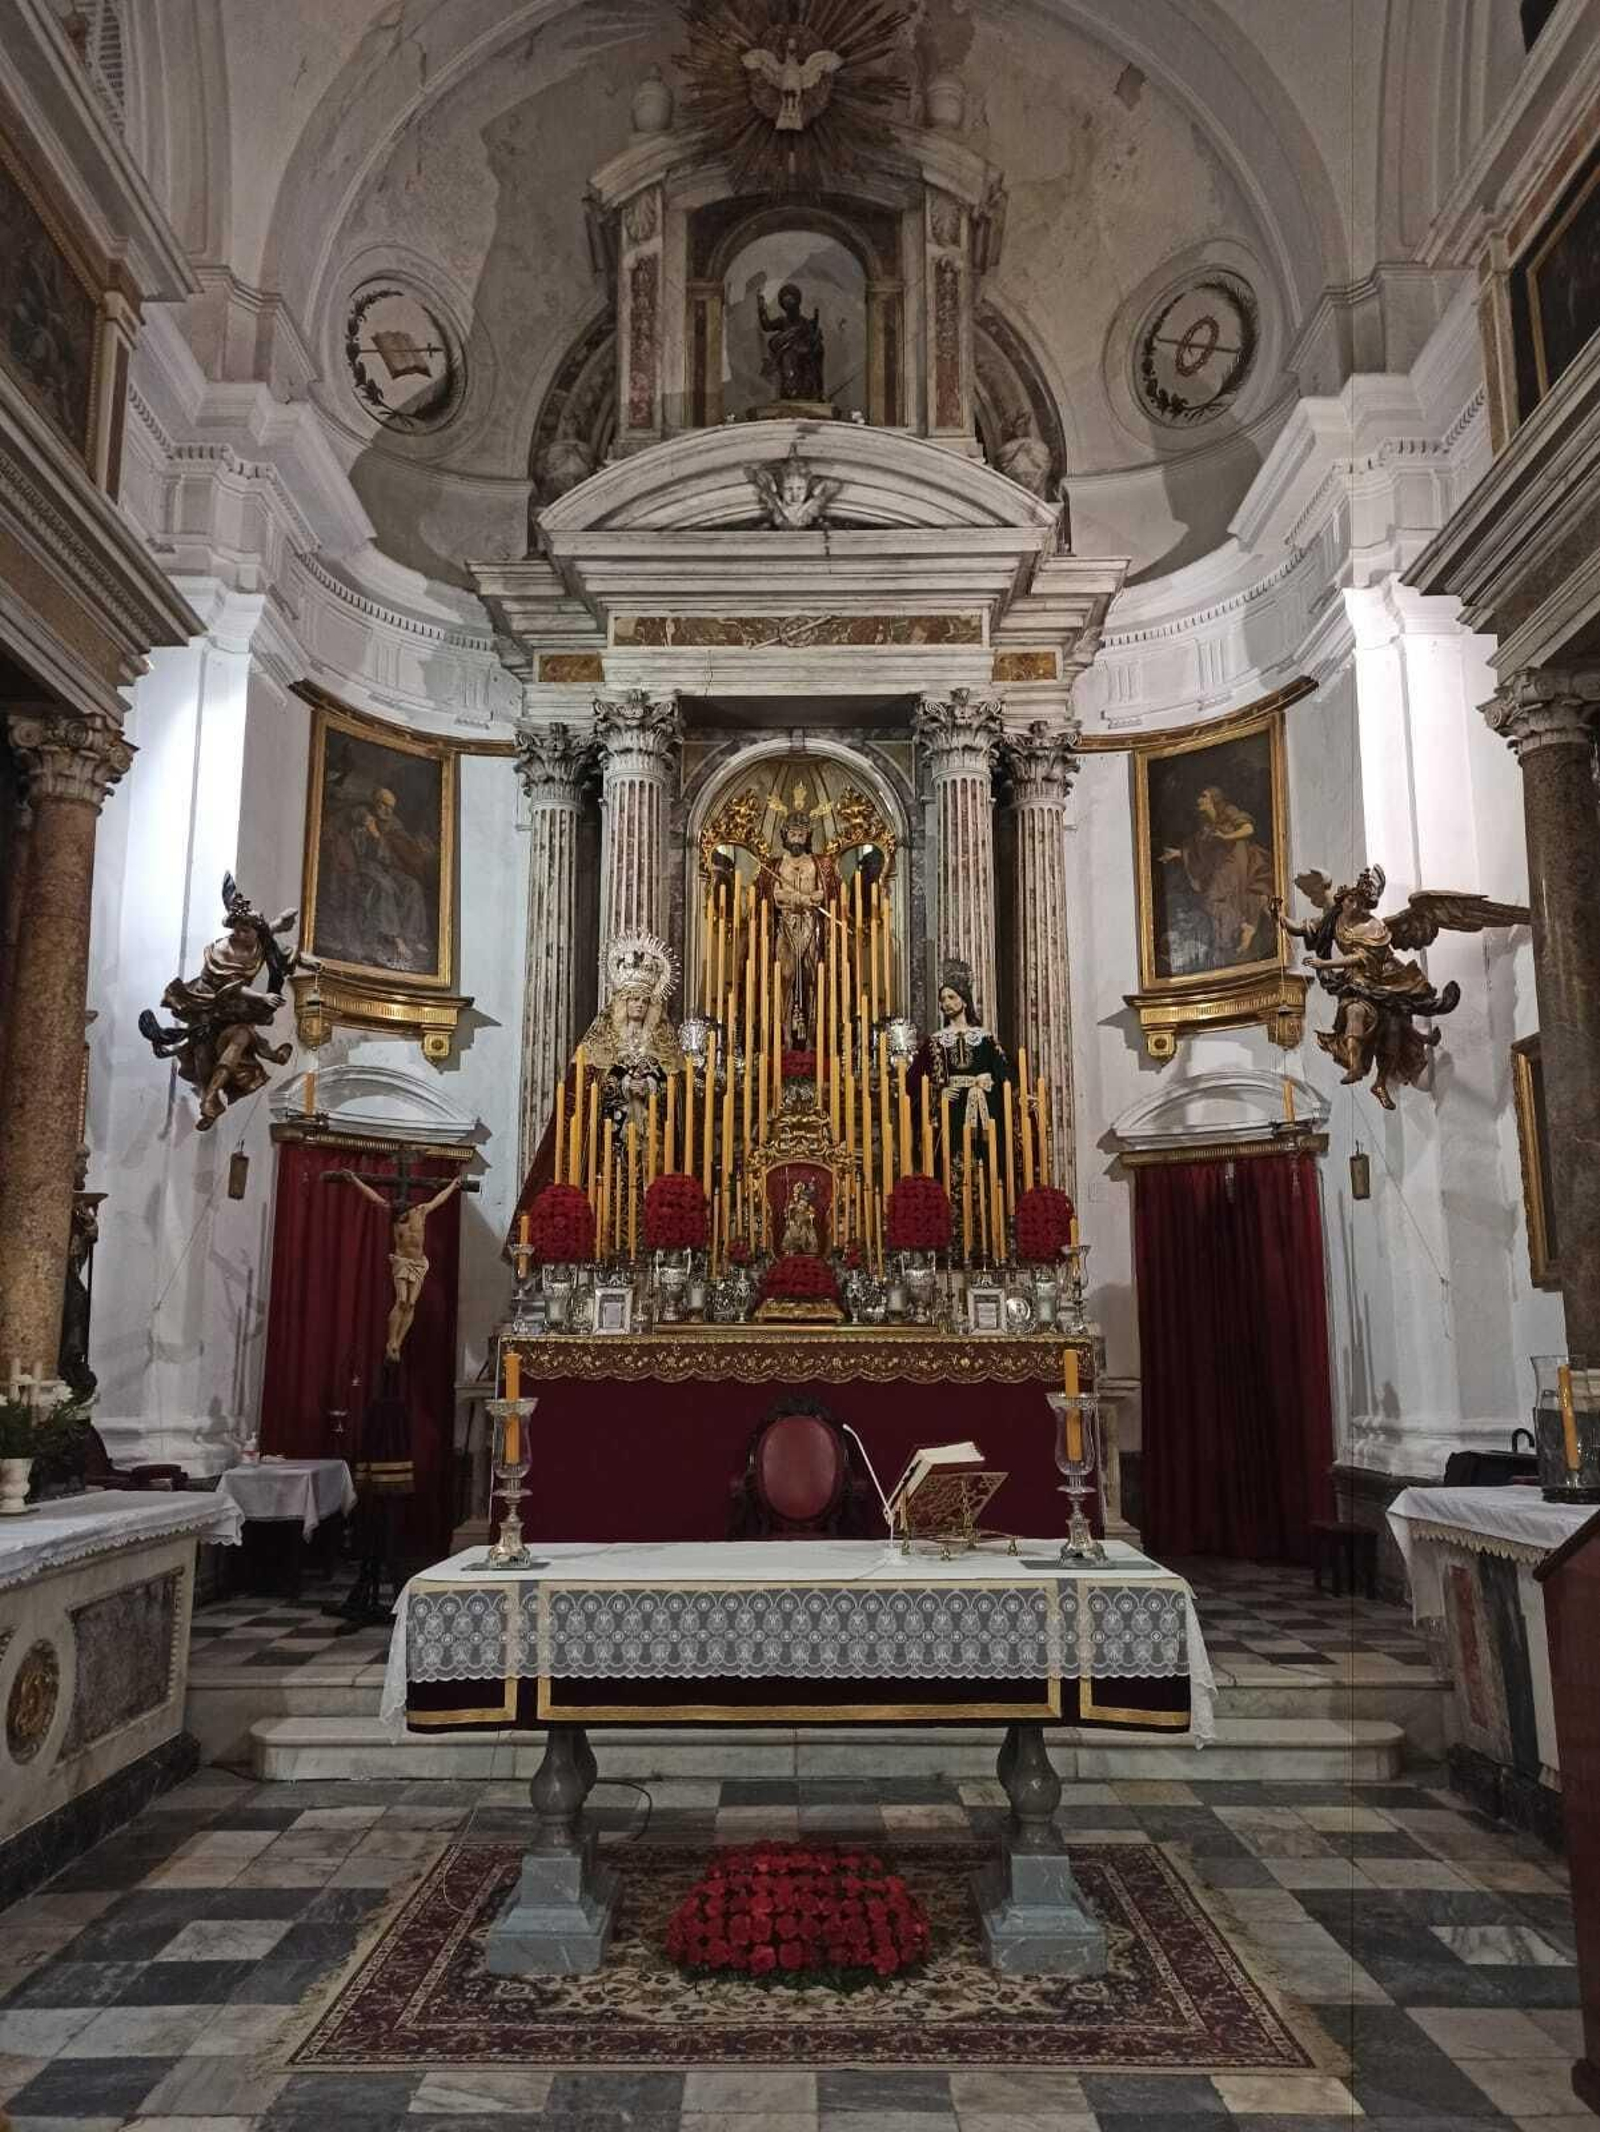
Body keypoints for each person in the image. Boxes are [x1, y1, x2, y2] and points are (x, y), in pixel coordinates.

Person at [330, 1170, 464, 1361]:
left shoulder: (420, 1211)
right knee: (401, 1300)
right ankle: (390, 1340)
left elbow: (439, 1199)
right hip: (402, 1262)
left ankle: (397, 1344)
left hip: (418, 1264)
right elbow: (374, 1197)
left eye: (402, 1215)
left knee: (410, 1304)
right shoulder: (393, 1215)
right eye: (397, 1217)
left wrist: (453, 1186)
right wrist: (355, 1180)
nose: (399, 1218)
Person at [1157, 783, 1274, 969]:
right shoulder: (1206, 827)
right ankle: (1244, 926)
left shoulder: (1228, 811)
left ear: (1214, 799)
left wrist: (1225, 838)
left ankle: (1245, 926)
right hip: (1221, 866)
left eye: (1203, 796)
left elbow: (1248, 829)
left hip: (1235, 859)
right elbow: (1197, 851)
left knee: (1214, 899)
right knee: (1216, 902)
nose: (1199, 800)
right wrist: (1177, 854)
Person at [322, 784, 436, 972]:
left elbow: (397, 852)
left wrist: (415, 850)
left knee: (412, 886)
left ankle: (411, 936)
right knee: (385, 887)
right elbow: (362, 842)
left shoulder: (394, 824)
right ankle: (396, 938)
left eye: (391, 807)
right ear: (375, 803)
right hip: (364, 867)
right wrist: (371, 829)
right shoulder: (362, 815)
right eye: (383, 805)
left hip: (387, 867)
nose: (387, 811)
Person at [765, 801, 840, 1050]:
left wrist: (818, 898)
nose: (797, 838)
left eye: (801, 834)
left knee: (811, 978)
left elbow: (829, 893)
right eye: (793, 834)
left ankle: (813, 1036)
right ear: (784, 835)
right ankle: (783, 1034)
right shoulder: (776, 865)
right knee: (784, 977)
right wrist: (800, 898)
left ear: (808, 836)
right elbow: (773, 896)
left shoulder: (820, 863)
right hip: (786, 925)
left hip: (811, 925)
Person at [926, 966, 1013, 1132]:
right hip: (952, 1111)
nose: (946, 1003)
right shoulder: (936, 1041)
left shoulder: (985, 1038)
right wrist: (938, 1095)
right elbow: (917, 1082)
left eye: (951, 997)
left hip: (985, 1109)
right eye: (943, 999)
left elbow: (1005, 1074)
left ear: (965, 1001)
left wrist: (1018, 1094)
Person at [758, 281, 826, 403]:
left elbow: (812, 340)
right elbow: (767, 326)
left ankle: (808, 392)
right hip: (788, 355)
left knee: (805, 361)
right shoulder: (782, 321)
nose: (789, 306)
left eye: (791, 302)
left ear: (797, 303)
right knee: (788, 358)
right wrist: (761, 308)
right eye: (785, 303)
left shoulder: (804, 322)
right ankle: (790, 392)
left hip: (804, 355)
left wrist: (815, 338)